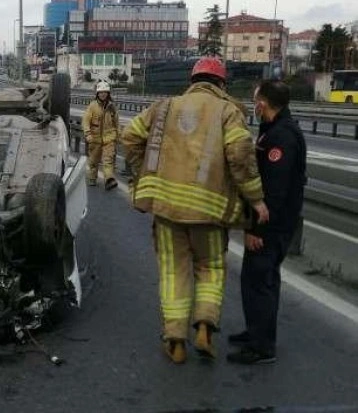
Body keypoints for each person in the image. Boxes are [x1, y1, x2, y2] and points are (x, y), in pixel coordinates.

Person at [121, 57, 269, 364]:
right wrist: (255, 198)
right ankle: (204, 326)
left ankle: (175, 340)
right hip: (210, 214)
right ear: (222, 84)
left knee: (173, 272)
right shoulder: (228, 111)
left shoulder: (163, 107)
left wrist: (143, 174)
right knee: (211, 268)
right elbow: (241, 157)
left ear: (192, 81)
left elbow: (131, 137)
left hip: (166, 209)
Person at [227, 80, 307, 365]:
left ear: (264, 102)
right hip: (273, 223)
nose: (253, 104)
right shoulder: (272, 129)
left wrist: (256, 230)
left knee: (261, 281)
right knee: (256, 280)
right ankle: (255, 332)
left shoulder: (282, 137)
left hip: (271, 226)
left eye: (255, 99)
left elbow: (273, 190)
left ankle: (262, 347)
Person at [82, 81, 119, 190]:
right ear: (97, 94)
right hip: (95, 139)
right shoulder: (92, 106)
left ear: (108, 93)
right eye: (101, 92)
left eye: (105, 92)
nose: (103, 94)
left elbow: (116, 123)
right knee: (94, 161)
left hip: (109, 139)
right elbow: (85, 120)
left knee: (108, 160)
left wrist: (118, 136)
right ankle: (92, 178)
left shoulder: (112, 107)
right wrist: (87, 133)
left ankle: (109, 179)